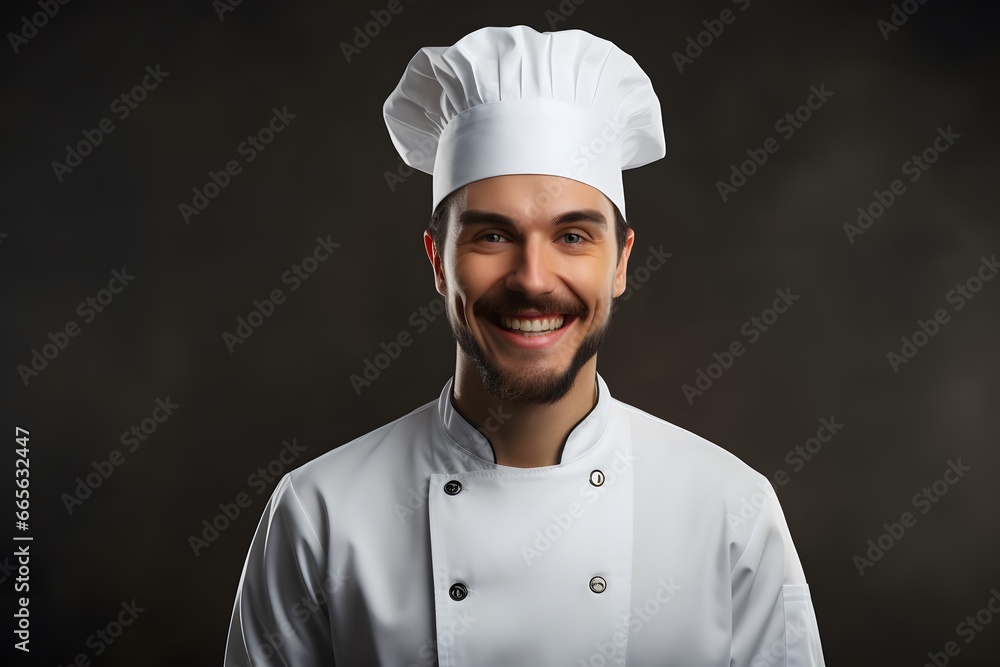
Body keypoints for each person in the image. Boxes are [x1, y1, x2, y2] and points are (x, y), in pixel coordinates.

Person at [224, 24, 826, 666]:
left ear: (620, 263)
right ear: (438, 261)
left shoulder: (730, 511)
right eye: (491, 236)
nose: (533, 279)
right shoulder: (320, 514)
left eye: (573, 237)